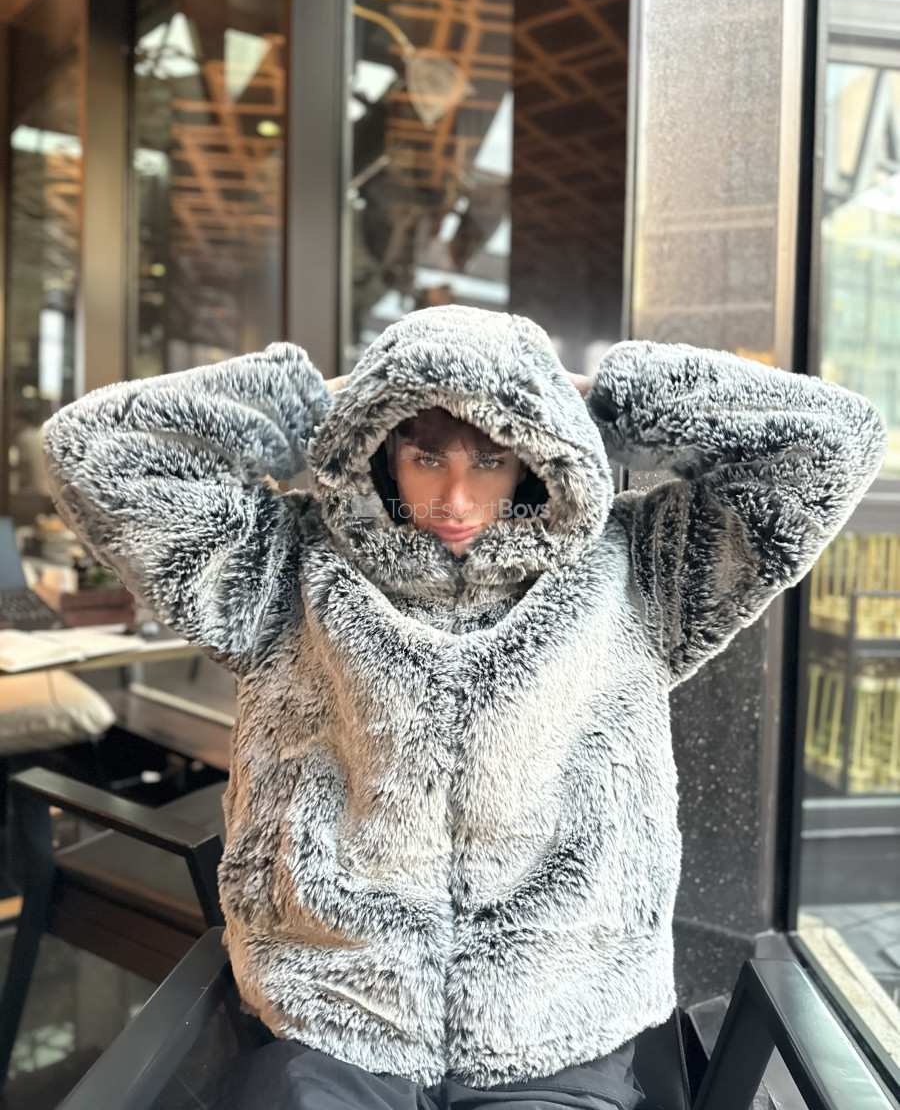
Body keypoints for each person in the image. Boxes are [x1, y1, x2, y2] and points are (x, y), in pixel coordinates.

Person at [40, 305, 886, 1109]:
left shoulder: (641, 570)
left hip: (557, 1020)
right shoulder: (281, 565)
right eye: (426, 456)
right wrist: (319, 403)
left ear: (532, 456)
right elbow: (96, 452)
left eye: (488, 459)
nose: (455, 498)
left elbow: (832, 443)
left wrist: (608, 401)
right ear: (382, 447)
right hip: (333, 1010)